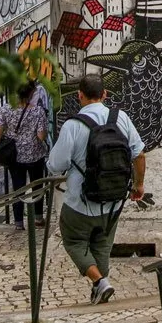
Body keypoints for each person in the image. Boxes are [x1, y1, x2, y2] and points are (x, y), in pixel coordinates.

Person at [47, 72, 144, 305]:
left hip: (80, 202)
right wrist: (139, 185)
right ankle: (101, 286)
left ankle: (100, 282)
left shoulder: (72, 125)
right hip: (114, 200)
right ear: (105, 94)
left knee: (72, 241)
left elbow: (56, 165)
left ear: (80, 96)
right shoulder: (121, 117)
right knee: (102, 242)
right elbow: (139, 154)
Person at [0, 78, 53, 228]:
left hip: (14, 155)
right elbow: (41, 136)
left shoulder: (6, 109)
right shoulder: (38, 111)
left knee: (18, 188)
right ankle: (39, 218)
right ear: (32, 92)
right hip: (35, 155)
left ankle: (19, 222)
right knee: (37, 186)